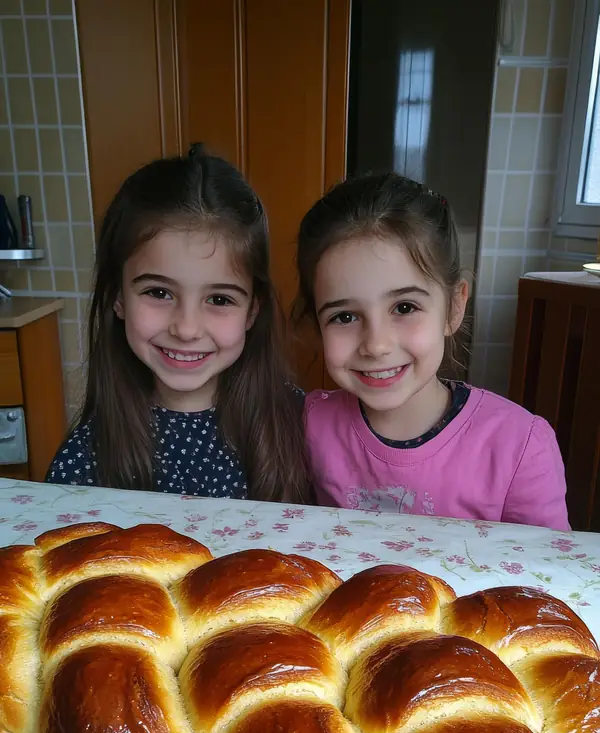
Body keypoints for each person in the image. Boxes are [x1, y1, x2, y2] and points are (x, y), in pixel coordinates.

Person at [295, 172, 569, 530]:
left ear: (455, 307)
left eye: (405, 308)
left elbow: (546, 575)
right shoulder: (310, 424)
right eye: (344, 316)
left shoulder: (521, 448)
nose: (376, 345)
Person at [46, 146, 310, 503]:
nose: (186, 329)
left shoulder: (307, 428)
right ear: (117, 298)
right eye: (158, 292)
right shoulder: (84, 459)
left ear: (252, 311)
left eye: (219, 299)